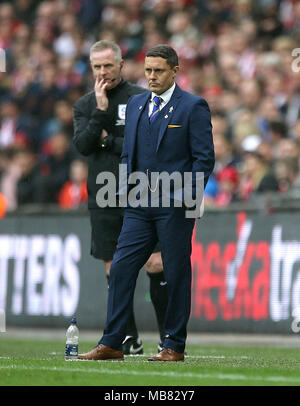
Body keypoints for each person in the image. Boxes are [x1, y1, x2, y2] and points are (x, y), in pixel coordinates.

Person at [78, 44, 215, 362]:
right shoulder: (138, 104)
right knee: (122, 268)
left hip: (175, 204)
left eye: (158, 71)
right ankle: (113, 342)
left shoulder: (193, 107)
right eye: (148, 70)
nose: (151, 76)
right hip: (138, 204)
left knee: (176, 271)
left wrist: (187, 200)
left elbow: (203, 159)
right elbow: (129, 154)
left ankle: (174, 345)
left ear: (175, 71)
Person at [73, 40, 168, 355]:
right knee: (116, 269)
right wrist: (101, 113)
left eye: (108, 66)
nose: (103, 72)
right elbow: (84, 145)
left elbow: (147, 143)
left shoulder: (141, 99)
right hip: (103, 195)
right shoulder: (86, 105)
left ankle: (169, 340)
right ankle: (129, 339)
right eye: (97, 66)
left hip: (142, 190)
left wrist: (108, 141)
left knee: (156, 263)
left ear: (121, 65)